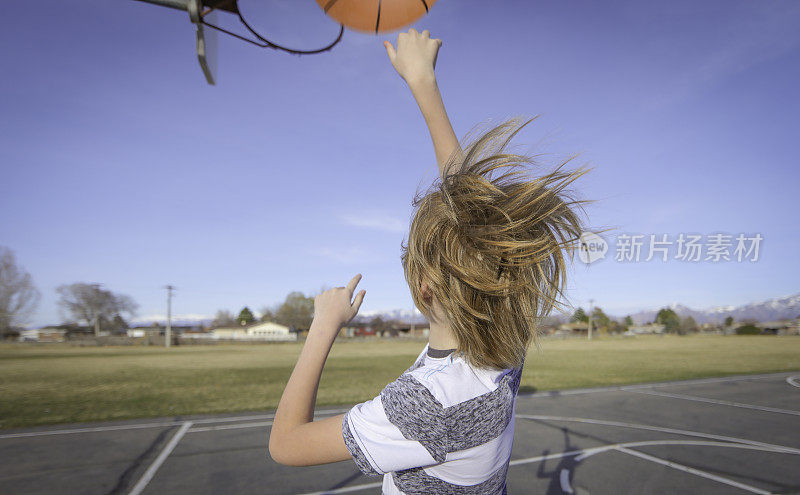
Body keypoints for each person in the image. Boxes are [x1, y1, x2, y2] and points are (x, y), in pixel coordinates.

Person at [268, 28, 588, 494]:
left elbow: (286, 444)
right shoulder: (503, 348)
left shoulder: (429, 403)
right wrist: (424, 83)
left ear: (423, 289)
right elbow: (475, 215)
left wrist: (323, 326)